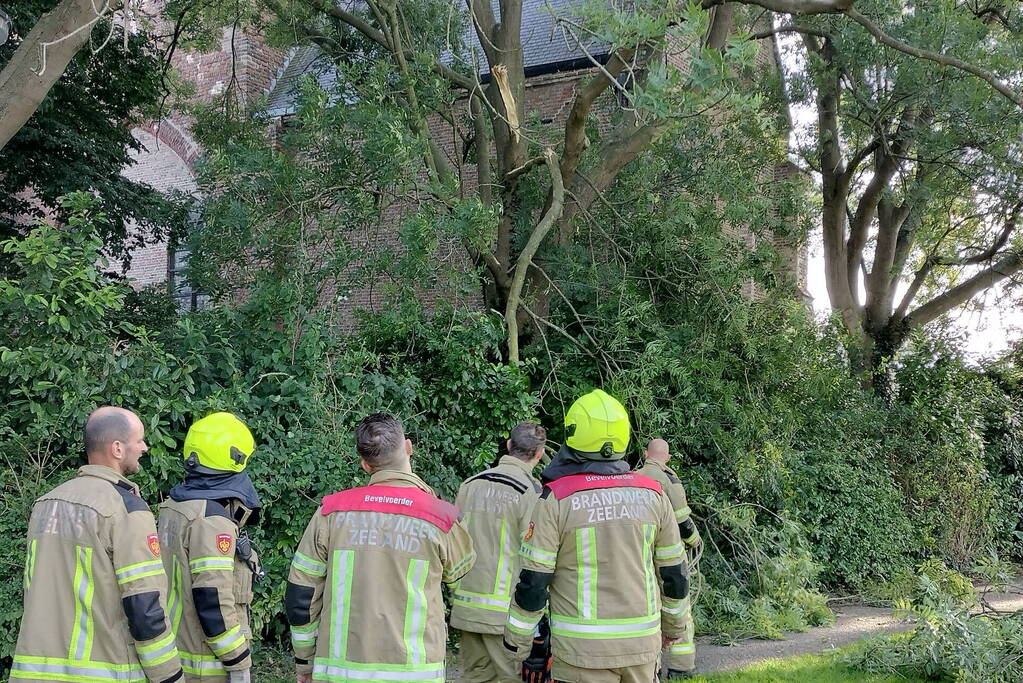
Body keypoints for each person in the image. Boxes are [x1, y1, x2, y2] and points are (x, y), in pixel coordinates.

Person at [503, 390, 690, 683]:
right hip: (641, 648)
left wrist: (517, 641)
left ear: (573, 434)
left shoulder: (557, 498)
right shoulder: (654, 495)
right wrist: (674, 628)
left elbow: (534, 581)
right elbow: (675, 575)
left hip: (581, 652)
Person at [285, 412, 476, 683]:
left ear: (365, 465)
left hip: (340, 672)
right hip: (414, 674)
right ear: (408, 447)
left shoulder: (331, 512)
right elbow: (463, 583)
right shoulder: (442, 518)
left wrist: (304, 660)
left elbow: (301, 595)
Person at [11, 406, 183, 683]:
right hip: (105, 671)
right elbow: (144, 606)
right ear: (117, 448)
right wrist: (169, 675)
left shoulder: (45, 504)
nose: (145, 447)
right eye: (139, 440)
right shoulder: (126, 509)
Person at [159, 412, 263, 683]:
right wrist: (238, 660)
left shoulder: (175, 506)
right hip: (208, 665)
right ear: (235, 458)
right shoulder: (213, 522)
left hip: (177, 651)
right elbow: (212, 597)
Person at [450, 421, 547, 682]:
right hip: (507, 615)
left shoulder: (469, 485)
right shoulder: (532, 493)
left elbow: (453, 545)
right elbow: (537, 557)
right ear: (539, 453)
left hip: (467, 608)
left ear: (508, 445)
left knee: (475, 677)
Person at [637, 439, 701, 678]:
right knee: (677, 605)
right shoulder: (669, 479)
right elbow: (682, 520)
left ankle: (652, 664)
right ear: (668, 457)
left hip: (641, 550)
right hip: (668, 551)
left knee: (648, 606)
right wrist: (695, 540)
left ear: (646, 454)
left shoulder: (632, 477)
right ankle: (681, 666)